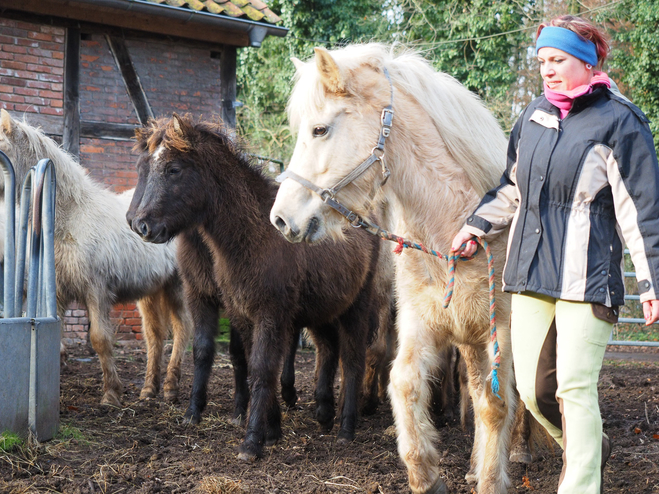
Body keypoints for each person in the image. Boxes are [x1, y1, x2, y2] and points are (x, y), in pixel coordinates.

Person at [451, 15, 659, 494]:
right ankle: (590, 446)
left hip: (588, 278)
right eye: (542, 60)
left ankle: (582, 482)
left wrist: (651, 283)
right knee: (531, 390)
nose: (547, 69)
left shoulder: (621, 122)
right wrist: (475, 228)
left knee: (574, 388)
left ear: (587, 63)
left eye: (558, 60)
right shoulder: (534, 116)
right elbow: (511, 189)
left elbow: (641, 210)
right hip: (529, 274)